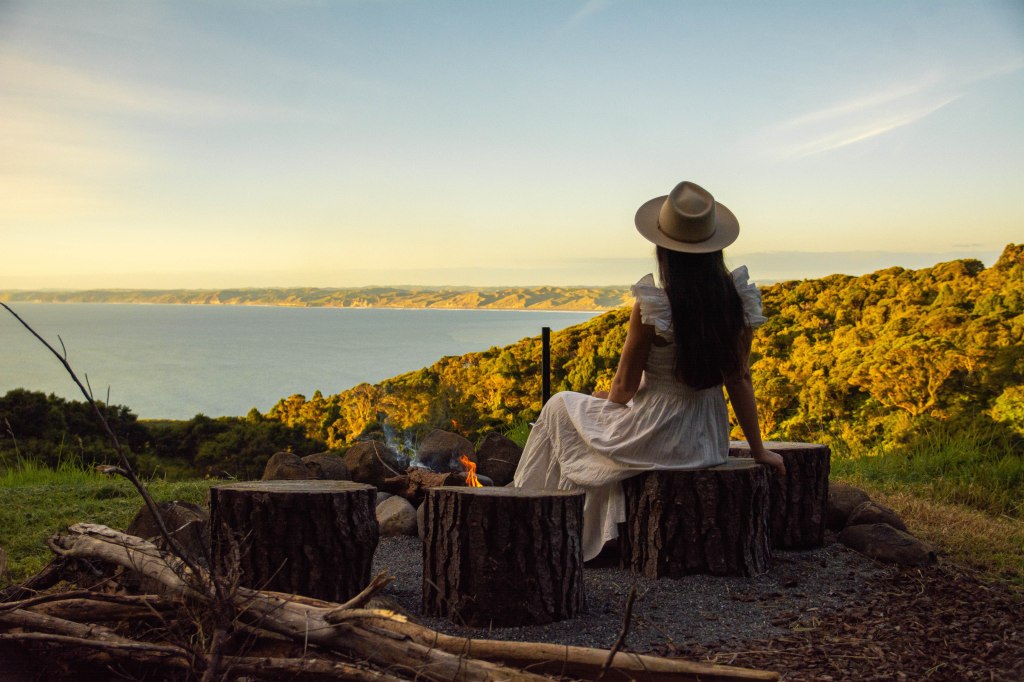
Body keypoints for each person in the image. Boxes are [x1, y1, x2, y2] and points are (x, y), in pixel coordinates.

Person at [512, 181, 786, 562]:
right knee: (590, 425)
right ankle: (575, 524)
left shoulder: (654, 308)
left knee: (560, 405)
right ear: (714, 249)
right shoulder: (737, 302)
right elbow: (739, 379)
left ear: (664, 251)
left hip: (657, 432)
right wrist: (758, 450)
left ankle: (531, 516)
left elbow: (623, 388)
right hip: (706, 441)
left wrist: (602, 399)